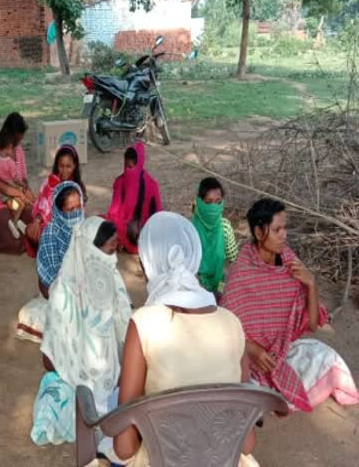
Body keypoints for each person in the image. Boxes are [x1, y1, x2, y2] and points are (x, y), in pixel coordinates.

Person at [114, 212, 259, 467]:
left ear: (148, 264)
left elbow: (124, 448)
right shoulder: (232, 323)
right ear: (194, 259)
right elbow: (246, 442)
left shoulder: (143, 323)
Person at [221, 198, 359, 412]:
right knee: (244, 389)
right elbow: (226, 328)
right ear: (259, 233)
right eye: (277, 230)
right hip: (247, 358)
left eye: (284, 228)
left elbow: (312, 325)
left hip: (282, 351)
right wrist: (252, 349)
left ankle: (273, 396)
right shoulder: (242, 271)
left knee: (329, 358)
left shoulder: (289, 262)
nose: (284, 235)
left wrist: (311, 284)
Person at [31, 217, 131, 454]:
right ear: (89, 250)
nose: (112, 258)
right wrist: (78, 365)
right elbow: (50, 360)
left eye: (115, 250)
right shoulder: (63, 292)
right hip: (76, 375)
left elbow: (125, 330)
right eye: (109, 251)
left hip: (112, 373)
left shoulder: (112, 278)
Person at [16, 181, 84, 343]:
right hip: (58, 290)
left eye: (78, 208)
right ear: (59, 211)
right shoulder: (50, 235)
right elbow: (49, 283)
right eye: (70, 210)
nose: (76, 214)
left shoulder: (85, 229)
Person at [0, 112, 36, 254]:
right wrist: (18, 193)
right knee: (10, 236)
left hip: (16, 197)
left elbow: (22, 178)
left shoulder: (19, 151)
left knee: (33, 216)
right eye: (18, 138)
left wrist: (26, 191)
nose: (20, 141)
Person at [27, 144, 86, 257]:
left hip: (70, 231)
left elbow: (78, 218)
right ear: (57, 165)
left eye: (68, 166)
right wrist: (37, 220)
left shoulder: (77, 187)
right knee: (30, 231)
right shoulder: (49, 183)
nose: (64, 170)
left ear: (75, 166)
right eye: (61, 166)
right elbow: (42, 205)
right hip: (49, 227)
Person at [105, 142, 162, 254]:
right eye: (127, 167)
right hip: (122, 227)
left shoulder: (151, 185)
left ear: (140, 164)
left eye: (132, 167)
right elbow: (113, 211)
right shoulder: (120, 182)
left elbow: (157, 214)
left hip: (141, 227)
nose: (129, 171)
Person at [191, 177, 238, 294]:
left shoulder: (225, 227)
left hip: (219, 286)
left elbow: (234, 260)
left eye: (218, 202)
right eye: (208, 202)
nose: (213, 207)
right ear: (200, 202)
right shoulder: (189, 230)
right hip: (193, 287)